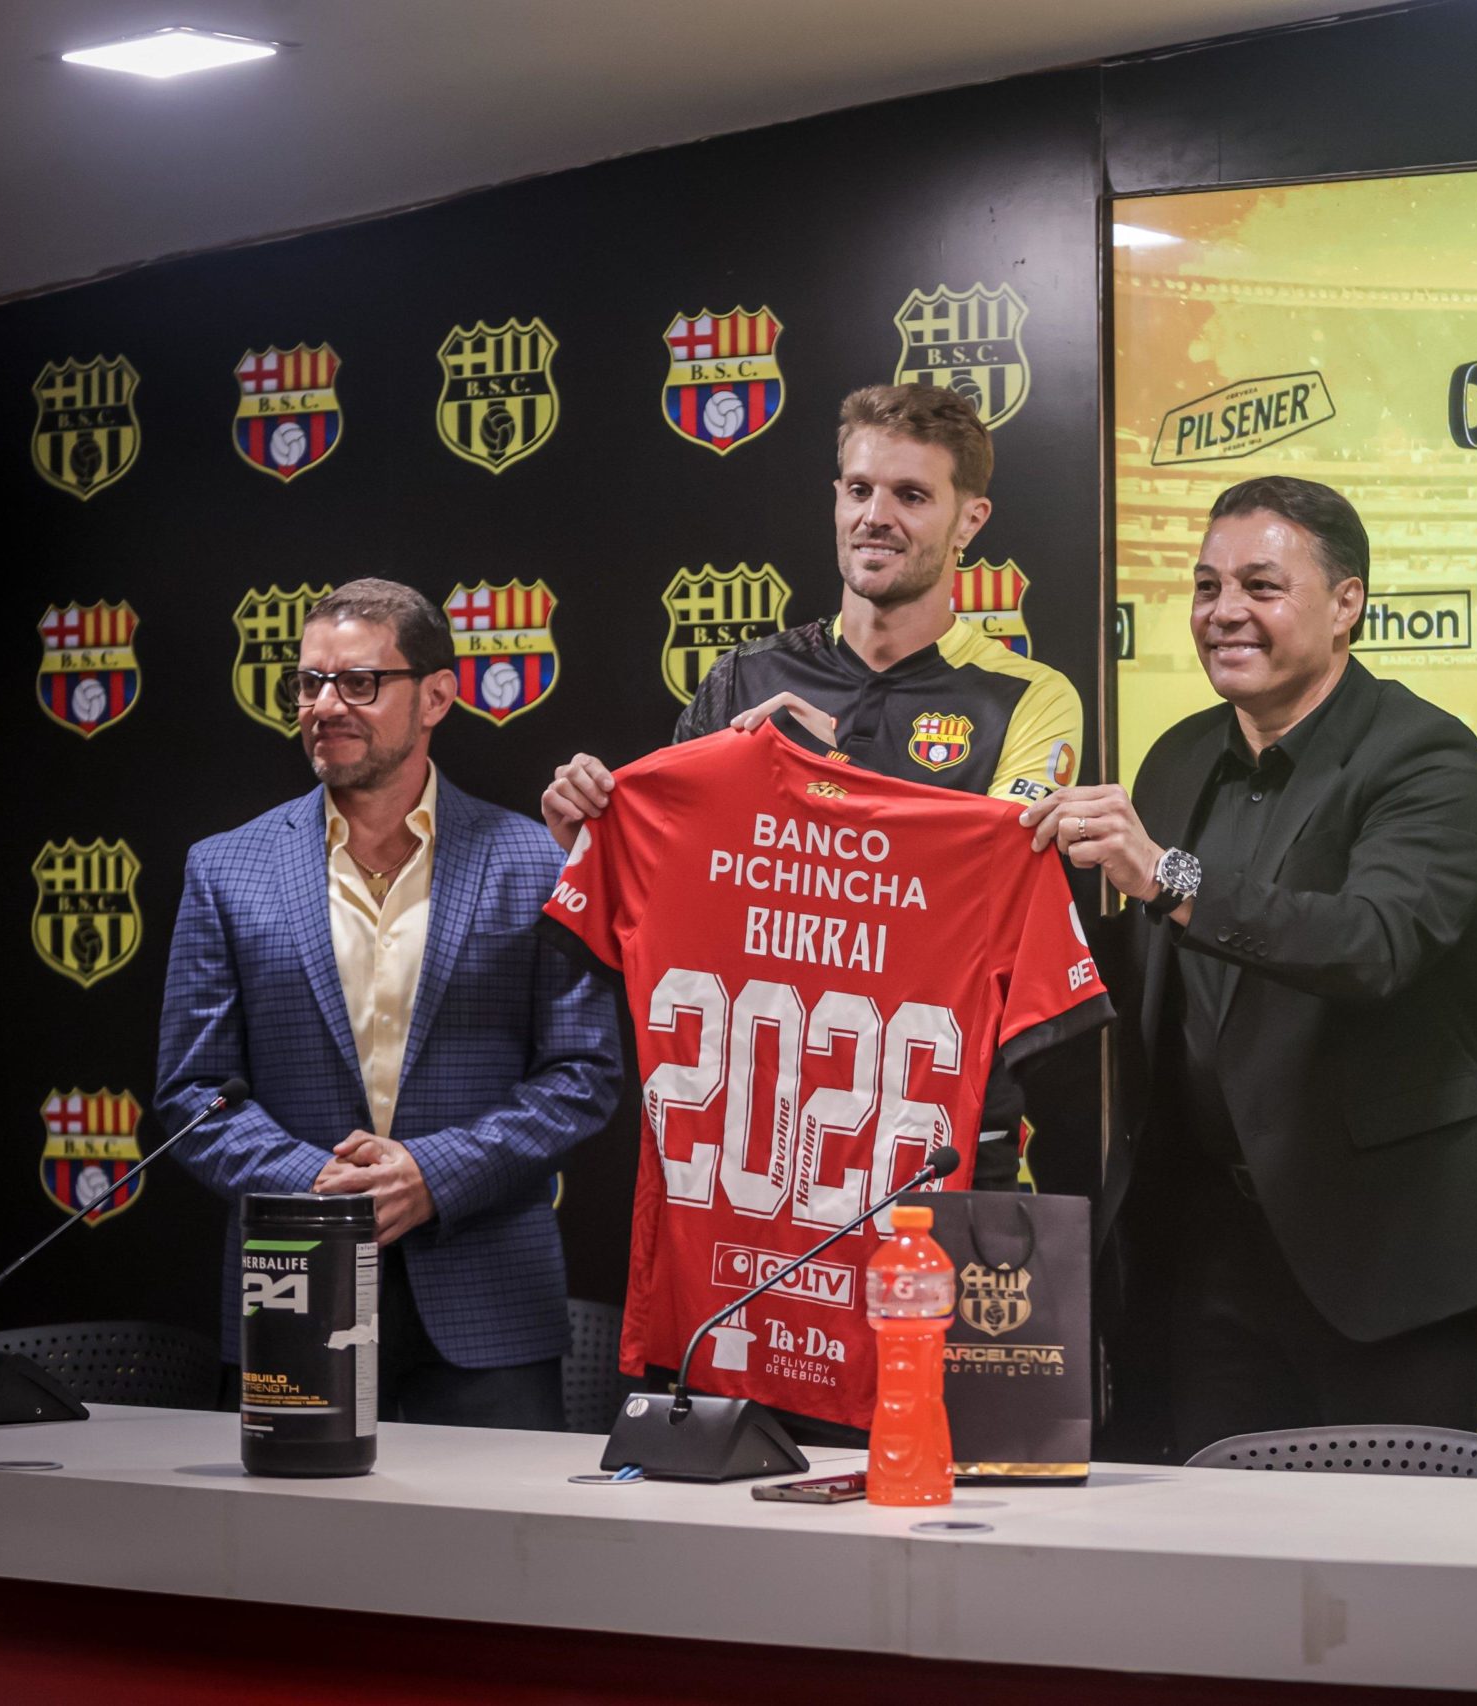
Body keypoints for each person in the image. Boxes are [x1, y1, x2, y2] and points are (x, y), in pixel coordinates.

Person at [1021, 476, 1477, 1461]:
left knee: (1391, 1548)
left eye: (1260, 585)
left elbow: (1373, 942)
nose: (1224, 611)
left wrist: (1167, 875)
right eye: (1207, 585)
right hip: (1200, 1255)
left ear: (1346, 603)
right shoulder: (1177, 756)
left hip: (1385, 1263)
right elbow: (1145, 979)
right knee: (1217, 1542)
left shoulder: (1431, 760)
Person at [539, 382, 1083, 1189]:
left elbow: (980, 899)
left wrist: (815, 786)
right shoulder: (743, 678)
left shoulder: (1030, 697)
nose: (876, 516)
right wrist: (595, 836)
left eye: (911, 496)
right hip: (751, 1136)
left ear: (970, 520)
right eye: (859, 490)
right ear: (836, 498)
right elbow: (684, 892)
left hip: (941, 1137)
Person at [159, 579, 620, 1428]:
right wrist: (319, 1189)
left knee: (491, 1522)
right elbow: (194, 1094)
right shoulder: (224, 869)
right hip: (292, 1287)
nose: (326, 705)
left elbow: (582, 1075)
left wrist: (432, 1175)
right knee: (286, 1522)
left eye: (360, 682)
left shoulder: (537, 863)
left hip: (488, 1303)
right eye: (310, 682)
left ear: (436, 696)